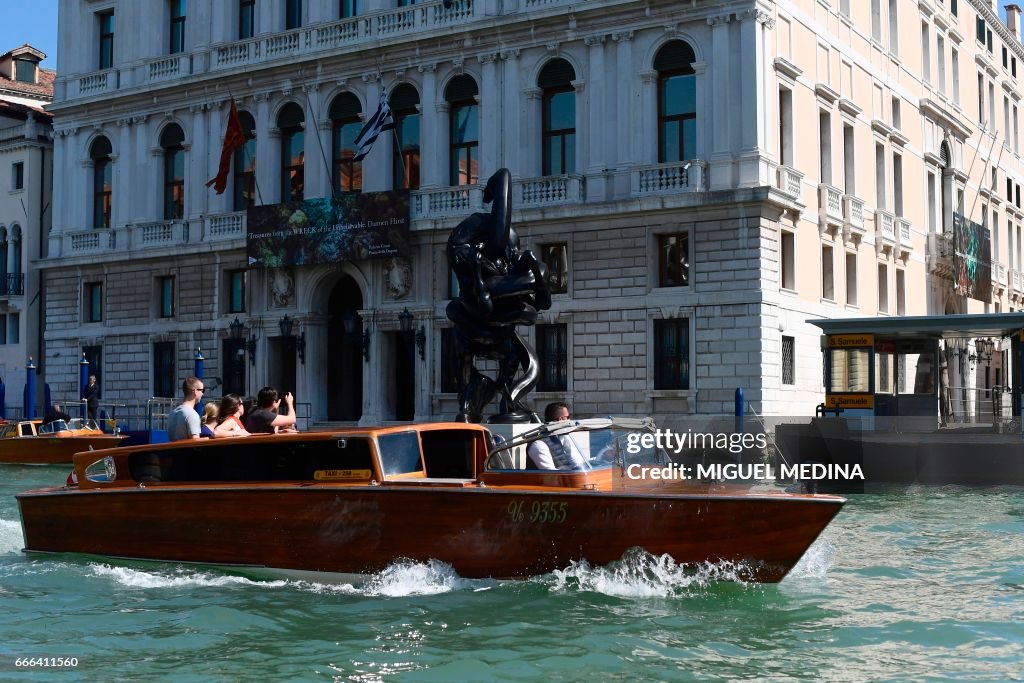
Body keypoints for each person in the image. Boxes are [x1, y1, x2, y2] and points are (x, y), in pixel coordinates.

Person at [527, 401, 586, 470]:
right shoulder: (538, 444)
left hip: (566, 476)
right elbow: (550, 473)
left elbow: (577, 462)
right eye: (567, 417)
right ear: (560, 419)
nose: (569, 420)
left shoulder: (563, 436)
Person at [167, 376, 204, 441]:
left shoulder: (172, 413)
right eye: (202, 390)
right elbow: (196, 442)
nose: (202, 394)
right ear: (195, 391)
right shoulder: (192, 415)